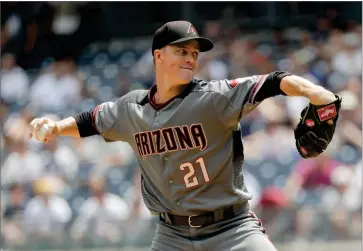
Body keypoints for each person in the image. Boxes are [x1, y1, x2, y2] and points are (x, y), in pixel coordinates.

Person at [29, 20, 340, 251]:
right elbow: (89, 121)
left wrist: (315, 92)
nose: (191, 58)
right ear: (158, 56)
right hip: (171, 237)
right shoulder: (131, 109)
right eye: (182, 51)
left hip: (232, 229)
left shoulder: (214, 98)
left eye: (194, 53)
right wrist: (56, 126)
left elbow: (274, 81)